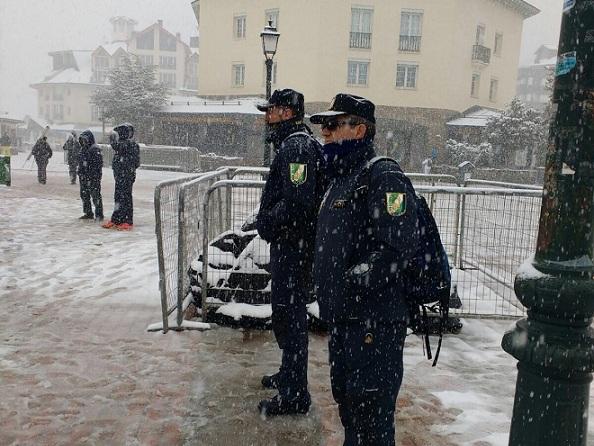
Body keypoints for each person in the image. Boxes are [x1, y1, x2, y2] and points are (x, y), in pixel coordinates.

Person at [310, 94, 419, 445]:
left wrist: (352, 281)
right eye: (323, 125)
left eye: (333, 124)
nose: (324, 131)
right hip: (347, 319)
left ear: (359, 129)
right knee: (350, 406)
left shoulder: (383, 176)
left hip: (374, 323)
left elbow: (397, 246)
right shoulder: (341, 176)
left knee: (371, 414)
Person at [254, 88, 326, 416]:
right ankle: (289, 375)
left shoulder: (297, 147)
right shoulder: (295, 143)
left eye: (270, 111)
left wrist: (267, 220)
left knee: (290, 318)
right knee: (287, 316)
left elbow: (298, 201)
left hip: (294, 247)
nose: (266, 117)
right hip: (293, 244)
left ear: (285, 112)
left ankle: (296, 394)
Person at [102, 123, 140, 231]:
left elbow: (120, 148)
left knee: (126, 198)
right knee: (118, 197)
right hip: (119, 175)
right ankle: (116, 219)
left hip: (126, 176)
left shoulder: (130, 144)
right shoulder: (123, 145)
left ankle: (127, 221)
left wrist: (128, 169)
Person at [77, 130, 104, 221]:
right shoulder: (83, 149)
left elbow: (97, 165)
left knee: (95, 196)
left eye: (85, 140)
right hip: (84, 177)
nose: (83, 142)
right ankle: (88, 212)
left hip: (93, 178)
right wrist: (80, 173)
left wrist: (92, 175)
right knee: (84, 195)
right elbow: (81, 163)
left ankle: (99, 214)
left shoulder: (94, 150)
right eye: (82, 140)